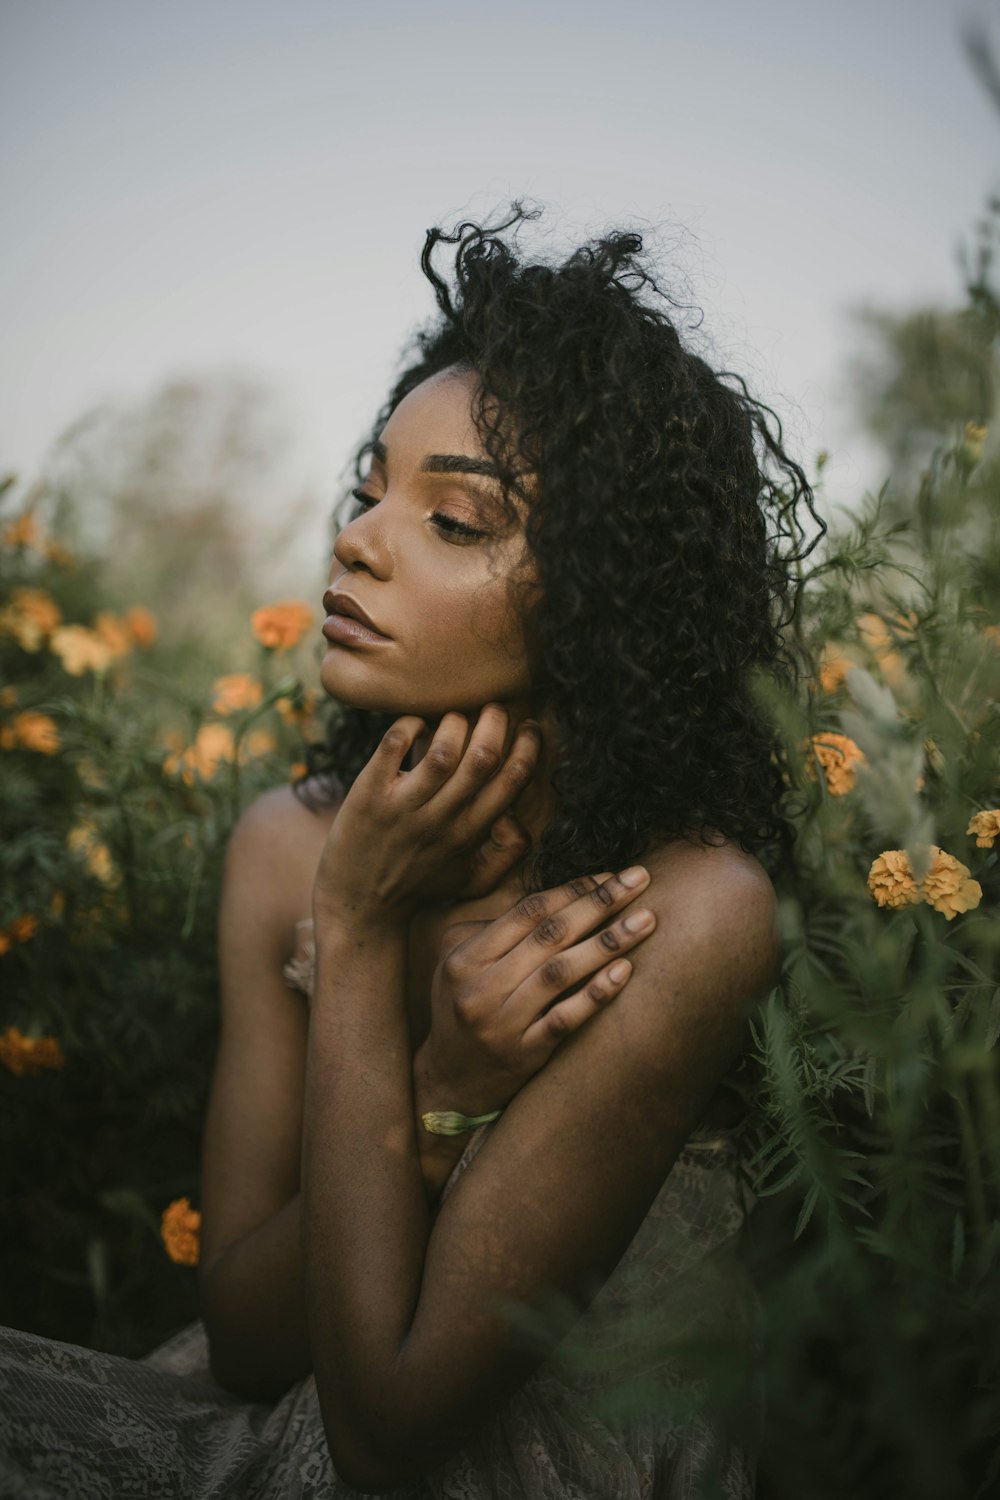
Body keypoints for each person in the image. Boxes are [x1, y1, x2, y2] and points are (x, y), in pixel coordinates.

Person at [0, 205, 819, 1498]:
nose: (359, 536)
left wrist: (370, 939)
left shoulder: (687, 908)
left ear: (609, 589)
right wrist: (433, 1063)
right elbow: (259, 1342)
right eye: (372, 487)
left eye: (456, 520)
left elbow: (388, 1433)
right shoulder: (294, 848)